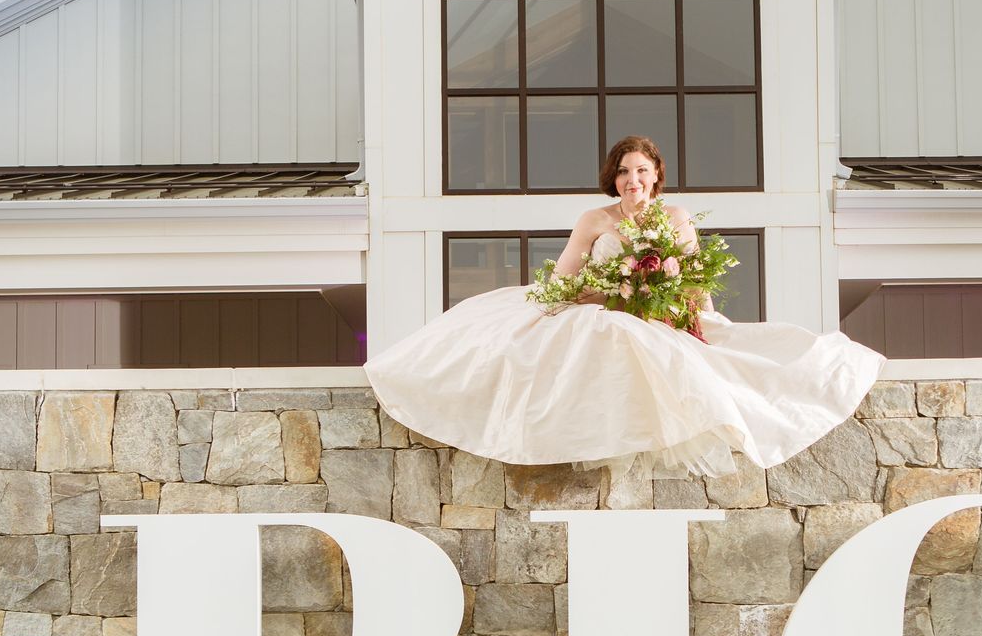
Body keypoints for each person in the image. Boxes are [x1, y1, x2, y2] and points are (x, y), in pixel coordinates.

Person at [365, 136, 883, 476]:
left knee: (695, 349)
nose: (631, 179)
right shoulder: (595, 219)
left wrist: (688, 315)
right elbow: (565, 277)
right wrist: (601, 294)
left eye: (640, 170)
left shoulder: (676, 217)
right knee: (559, 336)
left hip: (655, 313)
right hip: (599, 309)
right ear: (613, 179)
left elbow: (692, 284)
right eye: (621, 172)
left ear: (656, 174)